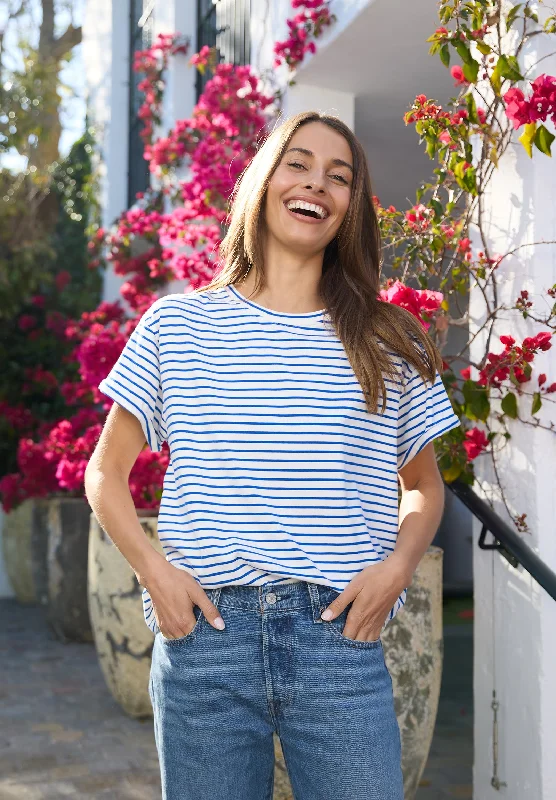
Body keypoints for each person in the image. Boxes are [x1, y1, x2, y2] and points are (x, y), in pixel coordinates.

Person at [85, 110, 460, 800]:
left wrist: (397, 570)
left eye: (339, 176)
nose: (317, 182)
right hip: (208, 639)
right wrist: (156, 576)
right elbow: (105, 473)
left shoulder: (387, 338)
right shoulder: (176, 325)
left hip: (339, 644)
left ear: (350, 206)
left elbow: (423, 487)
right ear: (263, 179)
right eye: (299, 162)